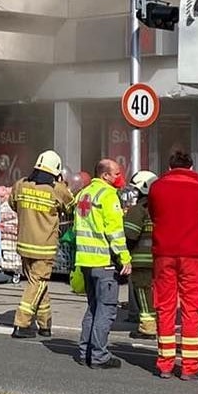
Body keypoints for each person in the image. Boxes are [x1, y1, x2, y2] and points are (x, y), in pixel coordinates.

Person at [147, 150, 198, 380]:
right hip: (192, 254)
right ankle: (190, 367)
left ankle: (164, 364)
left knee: (164, 307)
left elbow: (154, 214)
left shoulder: (157, 187)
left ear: (170, 166)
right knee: (192, 308)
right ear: (191, 166)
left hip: (164, 253)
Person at [72, 158, 131, 369]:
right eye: (116, 173)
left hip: (85, 261)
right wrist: (125, 258)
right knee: (106, 310)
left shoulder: (84, 194)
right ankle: (99, 356)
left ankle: (84, 351)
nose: (119, 177)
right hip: (104, 261)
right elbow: (114, 231)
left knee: (93, 308)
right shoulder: (108, 195)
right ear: (105, 175)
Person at [10, 150, 73, 339]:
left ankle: (45, 324)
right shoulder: (57, 189)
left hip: (24, 243)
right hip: (44, 246)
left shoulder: (20, 184)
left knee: (37, 283)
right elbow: (71, 208)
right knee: (37, 283)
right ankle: (21, 323)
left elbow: (13, 204)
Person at [123, 170, 159, 340]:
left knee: (143, 294)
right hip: (159, 259)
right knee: (155, 294)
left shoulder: (139, 209)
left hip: (141, 260)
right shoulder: (160, 208)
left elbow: (130, 234)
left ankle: (147, 327)